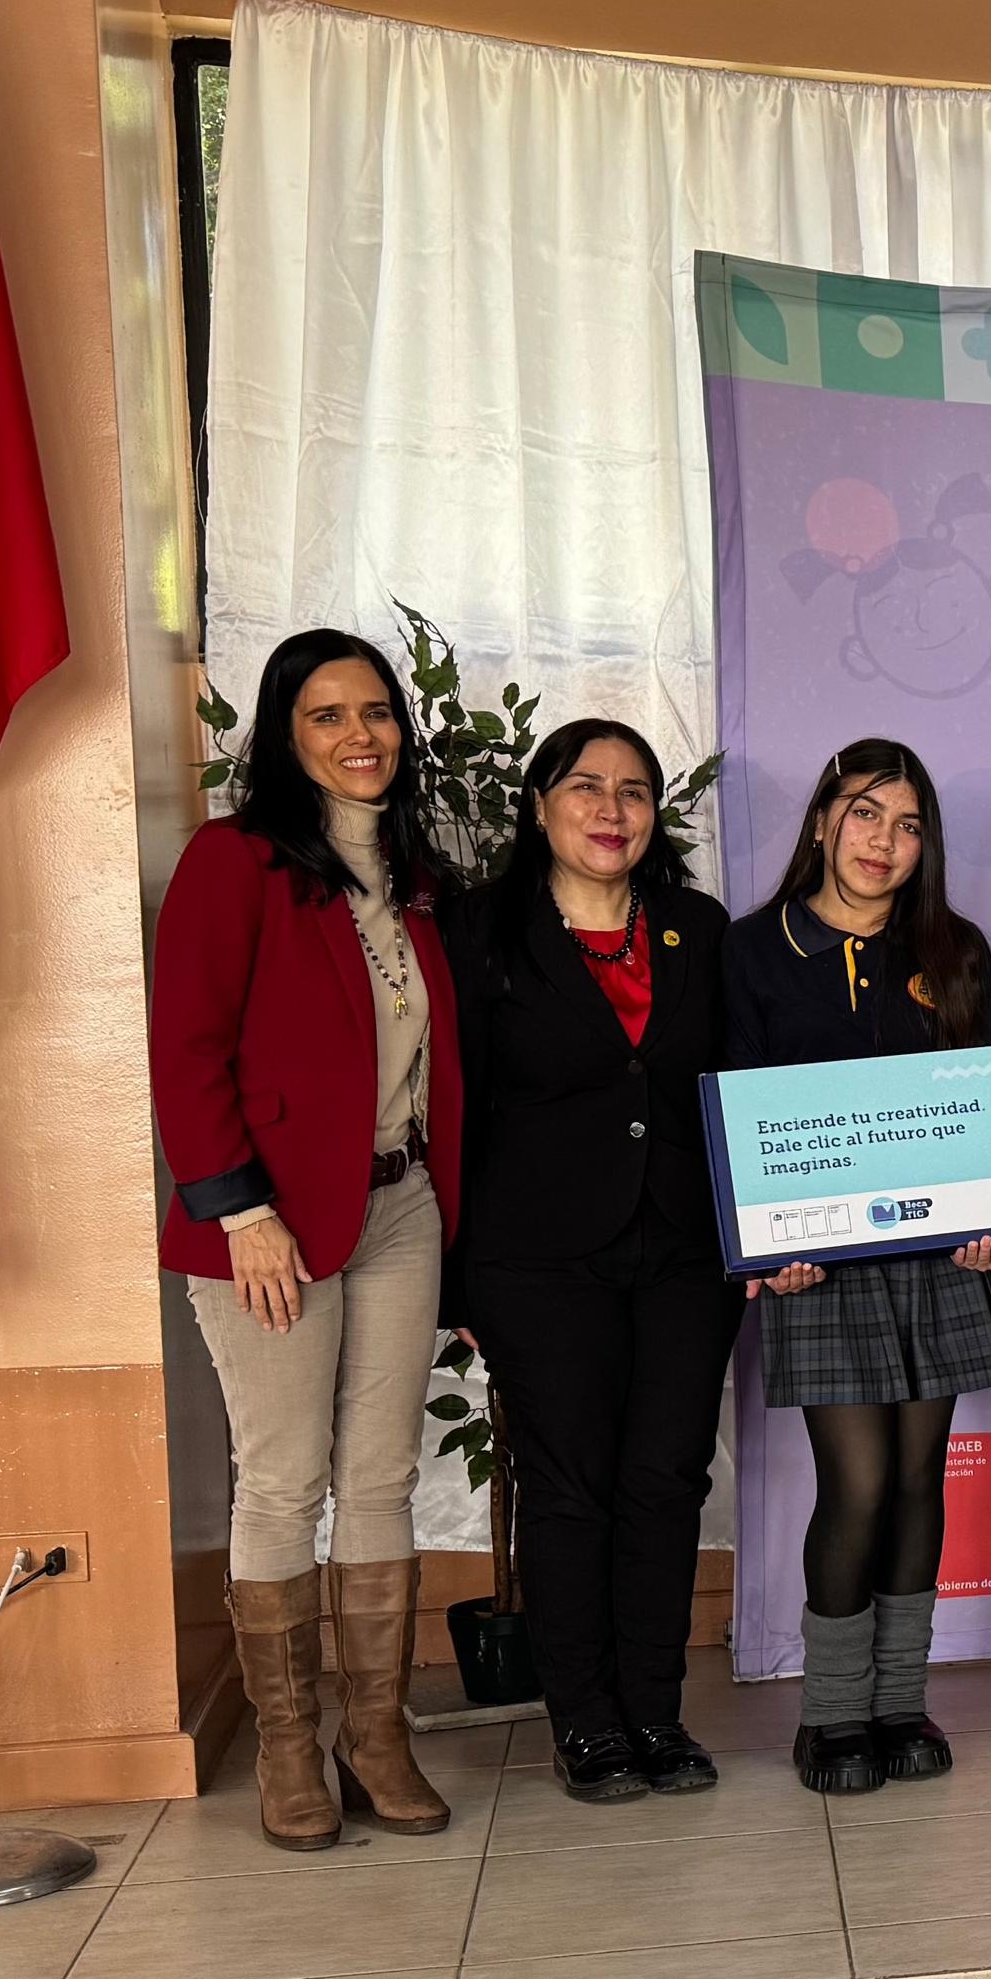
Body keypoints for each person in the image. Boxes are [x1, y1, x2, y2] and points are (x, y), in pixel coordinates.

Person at [152, 629, 467, 1850]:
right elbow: (186, 1047)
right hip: (268, 1223)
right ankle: (289, 1748)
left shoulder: (416, 872)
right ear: (284, 736)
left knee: (381, 1476)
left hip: (400, 1208)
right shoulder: (232, 860)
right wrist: (241, 1212)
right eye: (327, 715)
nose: (360, 735)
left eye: (376, 711)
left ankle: (372, 1736)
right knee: (284, 1480)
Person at [443, 721, 741, 1804]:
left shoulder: (698, 929)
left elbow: (734, 1091)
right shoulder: (478, 930)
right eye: (585, 786)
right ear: (538, 805)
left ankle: (655, 1714)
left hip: (685, 1250)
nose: (611, 810)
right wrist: (455, 1281)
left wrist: (767, 1231)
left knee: (666, 1481)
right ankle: (586, 1722)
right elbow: (452, 1109)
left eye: (634, 791)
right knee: (568, 1490)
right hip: (536, 1259)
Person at [728, 739, 991, 1794]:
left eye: (907, 825)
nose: (883, 841)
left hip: (943, 1258)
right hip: (818, 1269)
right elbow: (736, 1102)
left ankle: (901, 1701)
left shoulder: (957, 950)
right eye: (863, 814)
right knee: (855, 1484)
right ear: (820, 823)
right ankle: (832, 1712)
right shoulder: (754, 950)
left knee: (916, 1478)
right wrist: (769, 1245)